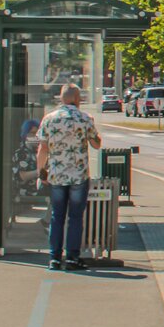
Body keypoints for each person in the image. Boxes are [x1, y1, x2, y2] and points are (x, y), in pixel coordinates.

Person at [37, 84, 102, 271]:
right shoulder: (85, 118)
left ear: (61, 98)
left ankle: (54, 258)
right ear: (77, 99)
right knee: (75, 217)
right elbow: (96, 144)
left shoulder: (49, 119)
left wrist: (42, 172)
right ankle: (73, 257)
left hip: (57, 175)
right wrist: (93, 136)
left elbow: (42, 149)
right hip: (79, 176)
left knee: (57, 216)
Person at [10, 119, 41, 200]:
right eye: (33, 133)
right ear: (25, 134)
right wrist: (42, 172)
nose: (36, 136)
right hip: (25, 196)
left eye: (38, 133)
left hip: (38, 194)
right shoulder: (21, 153)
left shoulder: (36, 152)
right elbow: (23, 176)